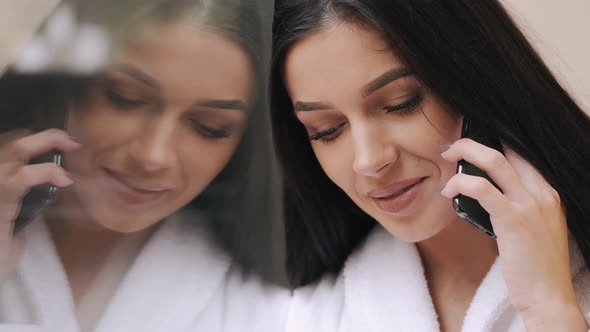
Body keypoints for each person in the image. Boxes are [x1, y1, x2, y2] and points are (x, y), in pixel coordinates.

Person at [271, 0, 590, 331]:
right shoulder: (307, 312)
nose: (368, 161)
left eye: (400, 104)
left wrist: (549, 309)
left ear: (476, 83)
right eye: (327, 130)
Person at [0, 1, 287, 331]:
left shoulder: (276, 300)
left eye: (210, 126)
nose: (154, 156)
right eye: (125, 98)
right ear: (65, 84)